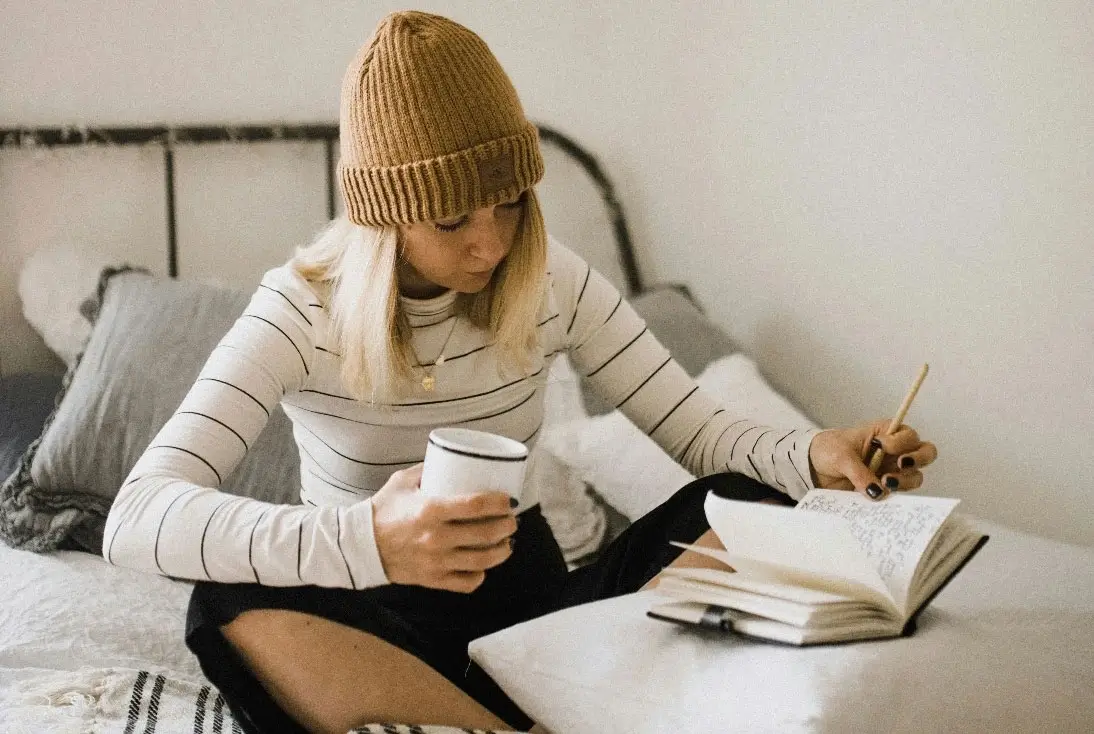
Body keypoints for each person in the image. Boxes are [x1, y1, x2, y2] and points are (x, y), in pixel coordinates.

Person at [102, 10, 937, 734]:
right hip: (373, 625)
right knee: (220, 602)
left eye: (507, 203)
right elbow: (135, 518)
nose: (490, 242)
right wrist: (368, 540)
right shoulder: (299, 310)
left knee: (756, 504)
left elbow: (704, 431)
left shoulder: (551, 281)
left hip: (540, 624)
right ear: (383, 218)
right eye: (451, 217)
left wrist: (815, 453)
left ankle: (510, 718)